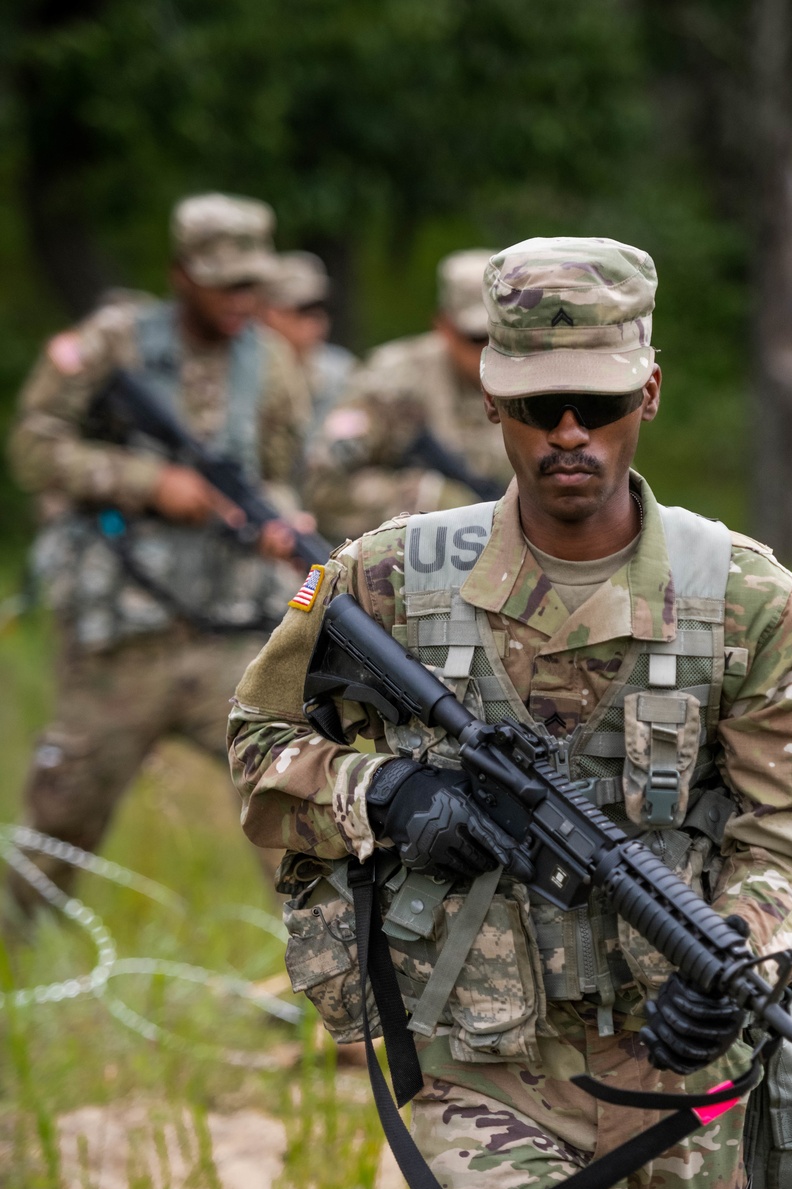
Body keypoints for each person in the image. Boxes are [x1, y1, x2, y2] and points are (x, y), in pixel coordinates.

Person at [229, 236, 792, 1189]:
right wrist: (383, 791)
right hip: (481, 1057)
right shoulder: (391, 576)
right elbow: (257, 746)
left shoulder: (742, 598)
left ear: (650, 396)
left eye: (600, 404)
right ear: (492, 402)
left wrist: (747, 958)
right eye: (534, 407)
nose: (569, 434)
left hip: (680, 1065)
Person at [7, 192, 313, 912]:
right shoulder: (113, 343)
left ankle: (330, 982)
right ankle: (13, 969)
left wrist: (273, 519)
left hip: (228, 637)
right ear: (181, 274)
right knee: (60, 819)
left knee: (291, 802)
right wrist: (148, 482)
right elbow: (32, 450)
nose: (241, 300)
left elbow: (279, 473)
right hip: (122, 642)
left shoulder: (271, 365)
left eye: (253, 285)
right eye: (225, 283)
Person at [302, 247, 512, 542]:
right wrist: (419, 497)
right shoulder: (393, 380)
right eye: (476, 338)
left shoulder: (540, 378)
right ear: (443, 326)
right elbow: (324, 486)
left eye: (503, 335)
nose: (490, 350)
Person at [260, 251, 357, 425]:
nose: (318, 320)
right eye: (305, 311)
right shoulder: (249, 368)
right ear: (272, 313)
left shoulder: (340, 371)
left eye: (323, 309)